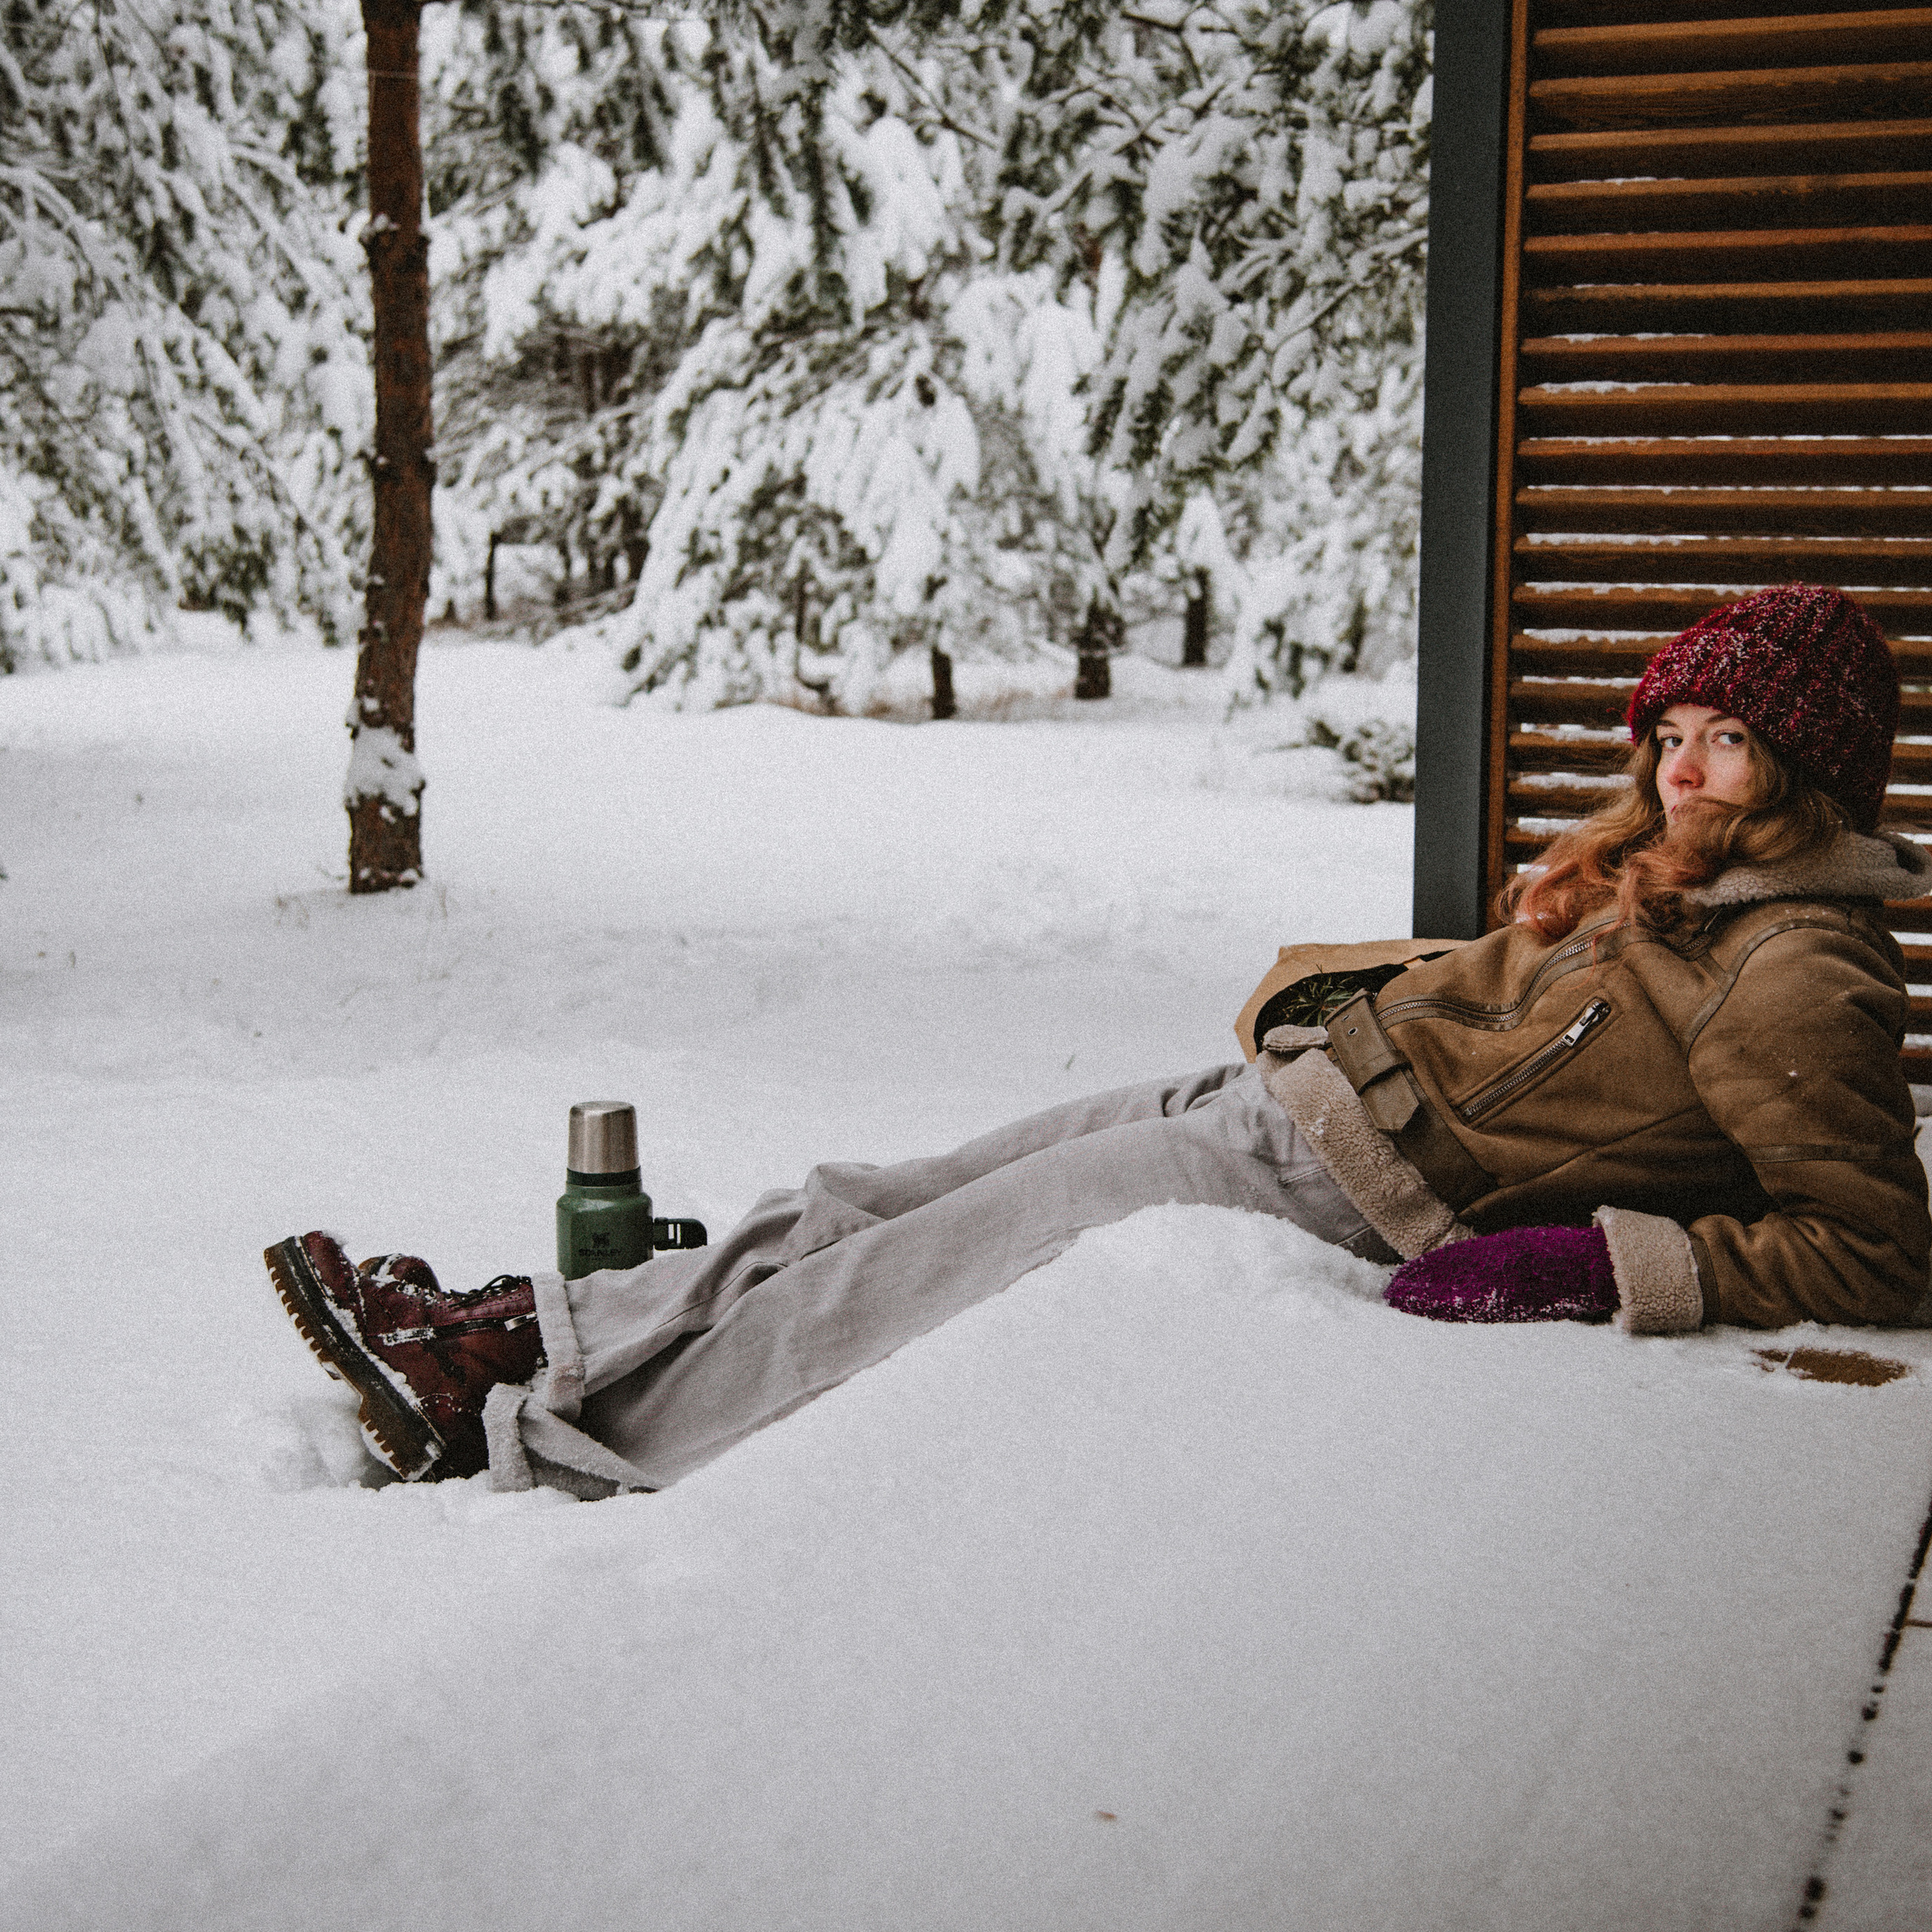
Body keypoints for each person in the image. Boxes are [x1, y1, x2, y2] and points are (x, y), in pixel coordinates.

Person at [266, 583, 1932, 1498]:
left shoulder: (1797, 969)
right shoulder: (1674, 879)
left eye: (1734, 742)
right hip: (1289, 1101)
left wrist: (1589, 1262)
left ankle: (564, 1445)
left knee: (902, 1276)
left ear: (1809, 772)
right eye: (1677, 732)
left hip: (1344, 1185)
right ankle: (511, 1330)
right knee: (877, 1196)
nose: (1689, 766)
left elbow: (1866, 1246)